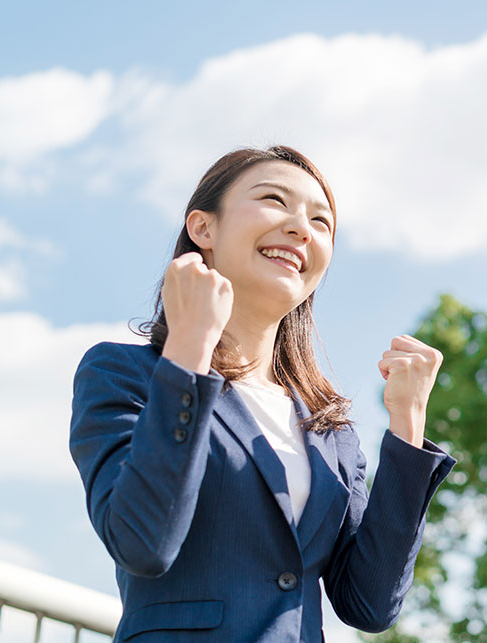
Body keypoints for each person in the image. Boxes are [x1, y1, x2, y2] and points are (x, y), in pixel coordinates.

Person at [69, 145, 458, 642]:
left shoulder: (329, 431)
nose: (301, 228)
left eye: (322, 222)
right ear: (203, 228)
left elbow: (370, 604)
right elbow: (143, 542)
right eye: (275, 200)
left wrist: (408, 423)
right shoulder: (125, 374)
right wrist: (189, 349)